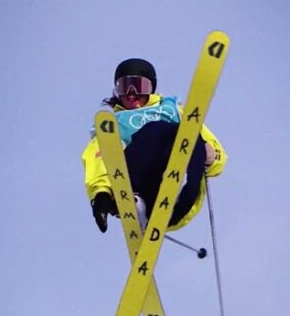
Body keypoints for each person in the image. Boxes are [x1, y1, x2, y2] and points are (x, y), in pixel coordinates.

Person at [82, 58, 228, 234]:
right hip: (139, 183)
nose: (131, 93)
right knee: (152, 131)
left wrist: (210, 155)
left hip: (185, 193)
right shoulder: (113, 125)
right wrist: (101, 195)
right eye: (124, 87)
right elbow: (98, 157)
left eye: (139, 86)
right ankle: (140, 204)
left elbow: (218, 156)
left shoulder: (174, 110)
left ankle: (175, 189)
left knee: (181, 132)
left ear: (151, 88)